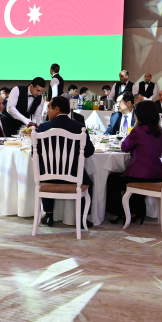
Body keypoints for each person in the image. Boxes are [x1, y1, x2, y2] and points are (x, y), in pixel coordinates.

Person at [35, 96, 94, 227]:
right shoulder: (79, 127)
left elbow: (36, 153)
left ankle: (49, 215)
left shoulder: (43, 127)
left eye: (49, 108)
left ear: (57, 109)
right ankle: (82, 218)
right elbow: (89, 151)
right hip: (74, 177)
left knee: (45, 169)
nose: (47, 112)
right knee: (90, 181)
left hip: (48, 177)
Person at [105, 100, 162, 225]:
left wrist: (134, 128)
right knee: (133, 177)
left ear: (140, 115)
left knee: (112, 180)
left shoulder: (138, 131)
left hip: (141, 174)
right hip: (159, 174)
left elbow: (124, 147)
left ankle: (119, 212)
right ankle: (137, 211)